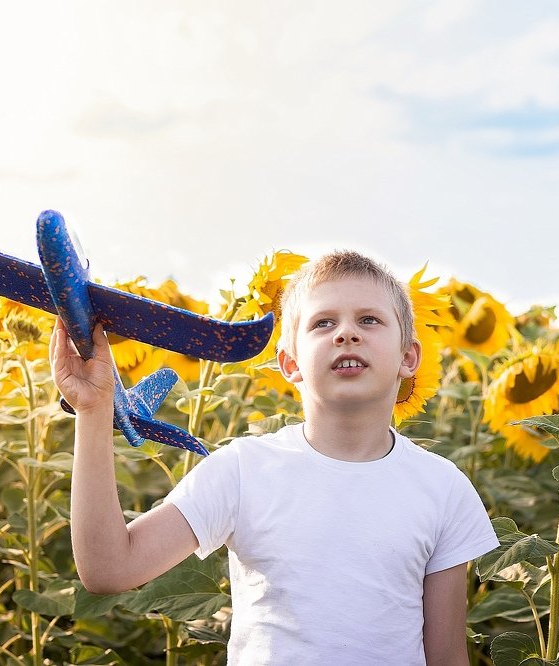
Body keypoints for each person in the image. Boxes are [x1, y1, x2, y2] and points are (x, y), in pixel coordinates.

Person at [51, 250, 499, 665]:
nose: (347, 332)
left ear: (409, 357)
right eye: (323, 323)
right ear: (290, 363)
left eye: (369, 319)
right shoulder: (244, 469)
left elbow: (445, 655)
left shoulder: (443, 487)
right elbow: (109, 569)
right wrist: (93, 412)